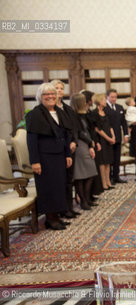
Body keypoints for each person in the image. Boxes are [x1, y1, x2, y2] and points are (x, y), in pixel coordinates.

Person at [26, 83, 73, 230]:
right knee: (49, 188)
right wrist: (35, 161)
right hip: (44, 158)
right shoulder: (35, 114)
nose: (51, 96)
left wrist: (67, 154)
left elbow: (65, 135)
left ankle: (56, 216)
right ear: (40, 97)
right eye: (46, 94)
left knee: (59, 186)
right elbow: (31, 140)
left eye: (53, 94)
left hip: (59, 155)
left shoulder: (59, 112)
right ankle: (50, 219)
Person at [51, 79, 80, 219]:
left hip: (71, 149)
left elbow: (74, 128)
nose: (59, 90)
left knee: (69, 180)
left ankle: (69, 207)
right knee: (60, 180)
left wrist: (74, 142)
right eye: (56, 88)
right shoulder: (50, 109)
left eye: (61, 88)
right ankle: (61, 209)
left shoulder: (68, 109)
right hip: (58, 150)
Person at [70, 93, 98, 210]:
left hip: (85, 144)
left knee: (90, 173)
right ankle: (83, 201)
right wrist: (90, 142)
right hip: (80, 145)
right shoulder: (74, 115)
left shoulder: (83, 114)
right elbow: (79, 133)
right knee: (80, 175)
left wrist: (90, 144)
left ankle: (86, 199)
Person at [91, 93, 115, 191]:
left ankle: (108, 181)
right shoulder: (94, 113)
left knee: (108, 161)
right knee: (102, 161)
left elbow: (110, 126)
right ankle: (103, 183)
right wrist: (108, 138)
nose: (106, 101)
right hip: (101, 140)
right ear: (99, 101)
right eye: (104, 100)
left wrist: (113, 137)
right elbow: (97, 129)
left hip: (109, 138)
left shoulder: (106, 112)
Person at [105, 89, 128, 184]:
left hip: (118, 136)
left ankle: (116, 176)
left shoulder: (120, 107)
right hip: (108, 138)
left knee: (117, 158)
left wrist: (126, 135)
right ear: (107, 97)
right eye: (112, 97)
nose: (114, 99)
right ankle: (109, 177)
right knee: (109, 158)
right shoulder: (104, 108)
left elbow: (124, 123)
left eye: (115, 97)